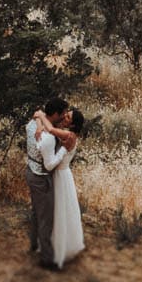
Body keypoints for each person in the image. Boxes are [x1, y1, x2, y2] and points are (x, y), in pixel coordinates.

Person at [33, 106, 86, 271]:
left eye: (68, 118)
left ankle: (57, 249)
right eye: (65, 114)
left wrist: (41, 116)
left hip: (61, 176)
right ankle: (52, 245)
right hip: (62, 174)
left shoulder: (68, 135)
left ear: (72, 125)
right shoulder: (70, 134)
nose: (65, 117)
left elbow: (50, 129)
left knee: (58, 211)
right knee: (57, 211)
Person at [25, 97, 70, 270]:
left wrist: (38, 122)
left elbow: (38, 114)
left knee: (36, 212)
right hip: (41, 177)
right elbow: (49, 164)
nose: (64, 116)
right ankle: (47, 259)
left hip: (30, 171)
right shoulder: (49, 138)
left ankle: (33, 245)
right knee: (46, 218)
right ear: (55, 114)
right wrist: (64, 151)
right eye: (63, 113)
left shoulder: (32, 123)